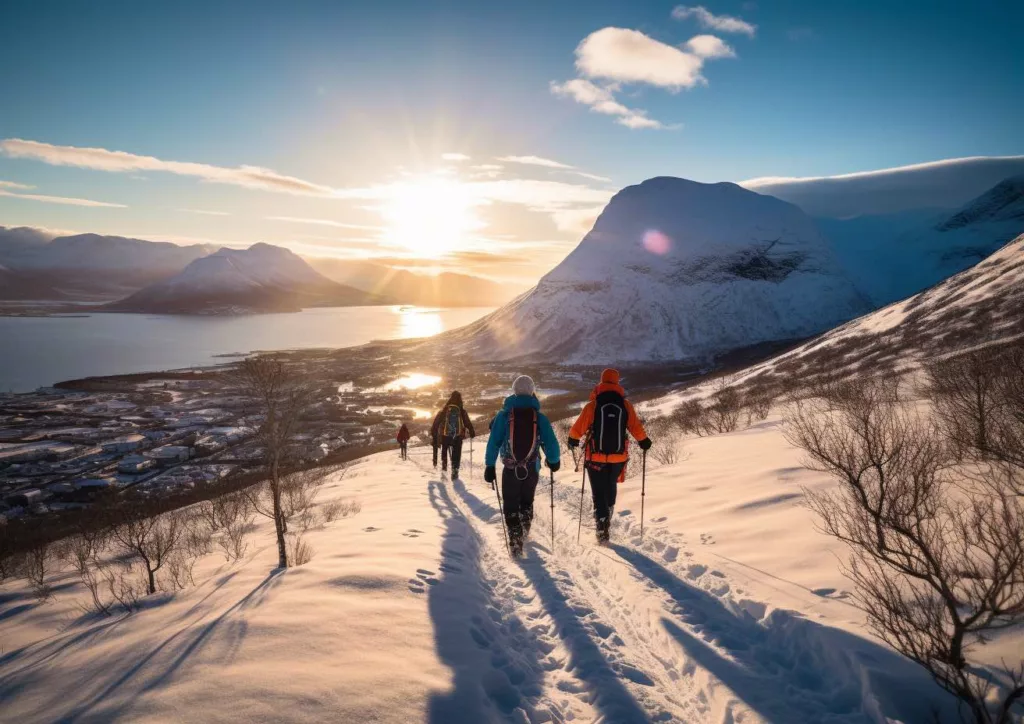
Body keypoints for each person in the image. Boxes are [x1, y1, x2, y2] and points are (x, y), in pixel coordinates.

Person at [568, 369, 651, 544]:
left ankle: (602, 522)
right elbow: (636, 427)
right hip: (618, 457)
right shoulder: (625, 405)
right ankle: (608, 513)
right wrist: (644, 441)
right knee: (610, 485)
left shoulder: (593, 405)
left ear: (601, 382)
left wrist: (572, 440)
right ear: (617, 383)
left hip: (595, 457)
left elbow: (578, 428)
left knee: (598, 492)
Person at [484, 375, 560, 557]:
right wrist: (554, 461)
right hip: (532, 468)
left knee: (510, 504)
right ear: (532, 391)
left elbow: (493, 442)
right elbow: (551, 442)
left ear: (514, 391)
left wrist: (489, 466)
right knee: (527, 502)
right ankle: (524, 532)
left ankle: (515, 539)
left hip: (510, 469)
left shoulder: (503, 416)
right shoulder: (539, 417)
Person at [431, 391, 475, 479]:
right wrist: (471, 431)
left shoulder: (445, 410)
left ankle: (444, 468)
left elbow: (436, 423)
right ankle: (455, 470)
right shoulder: (461, 411)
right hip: (457, 436)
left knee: (444, 450)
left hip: (445, 436)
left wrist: (434, 434)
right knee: (457, 453)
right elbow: (467, 423)